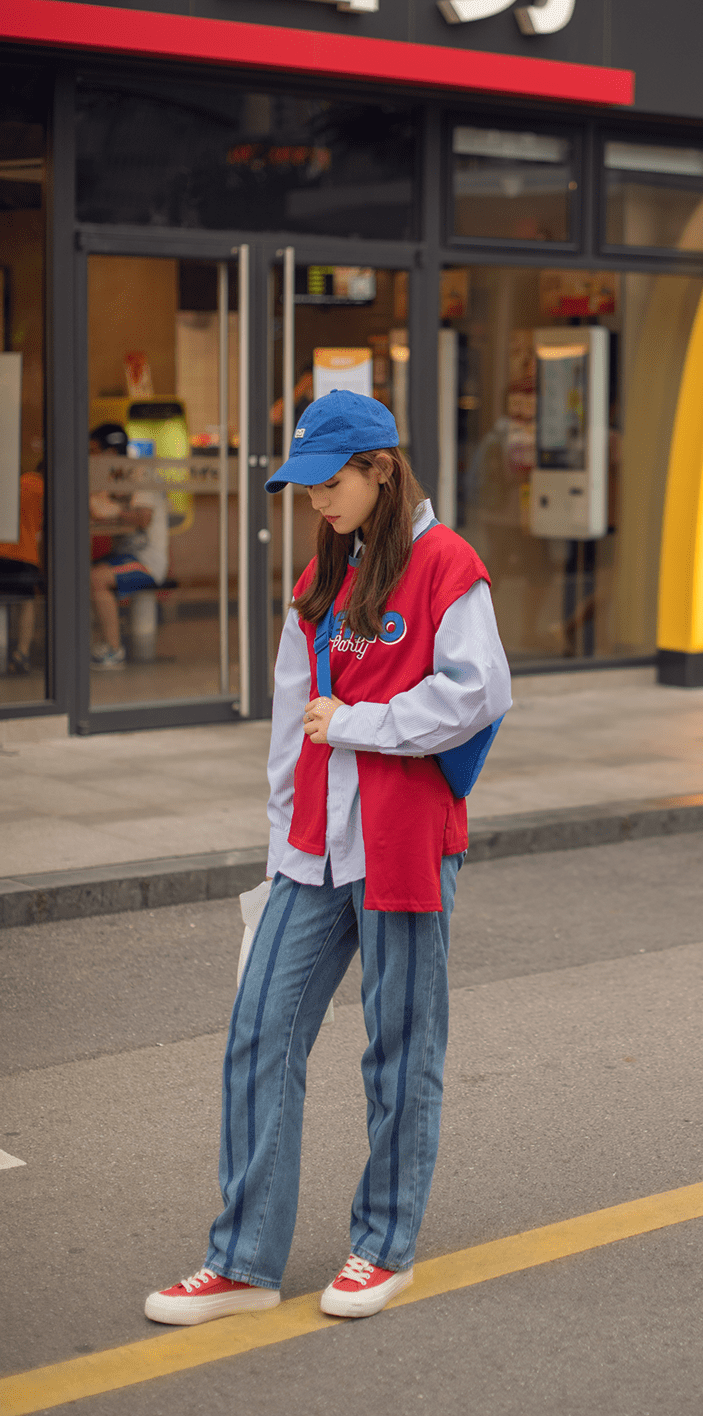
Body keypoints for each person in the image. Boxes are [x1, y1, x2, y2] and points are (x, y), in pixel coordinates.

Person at [145, 389, 512, 1325]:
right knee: (258, 1036)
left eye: (328, 482)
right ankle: (244, 1262)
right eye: (303, 485)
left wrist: (364, 724)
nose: (314, 500)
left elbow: (479, 693)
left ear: (381, 470)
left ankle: (383, 1247)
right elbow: (286, 728)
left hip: (402, 845)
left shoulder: (446, 565)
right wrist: (277, 849)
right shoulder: (321, 580)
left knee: (399, 1052)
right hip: (311, 850)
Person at [88, 423, 169, 670]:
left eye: (94, 451)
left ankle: (114, 650)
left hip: (147, 562)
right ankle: (101, 642)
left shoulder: (140, 474)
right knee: (82, 573)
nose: (91, 457)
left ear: (110, 453)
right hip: (124, 556)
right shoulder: (115, 477)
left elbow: (143, 517)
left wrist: (115, 510)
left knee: (96, 578)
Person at [0, 461, 44, 675]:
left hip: (1, 550)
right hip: (25, 553)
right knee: (26, 603)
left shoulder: (13, 485)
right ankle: (21, 653)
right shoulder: (42, 489)